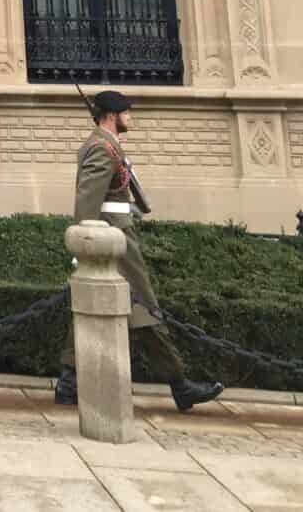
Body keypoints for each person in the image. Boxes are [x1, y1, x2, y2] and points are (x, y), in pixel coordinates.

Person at [55, 89, 223, 412]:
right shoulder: (102, 149)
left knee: (95, 304)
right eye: (126, 112)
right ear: (110, 115)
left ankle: (69, 381)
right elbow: (87, 202)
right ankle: (180, 384)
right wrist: (85, 245)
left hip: (116, 239)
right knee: (145, 309)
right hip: (114, 243)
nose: (130, 117)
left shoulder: (107, 145)